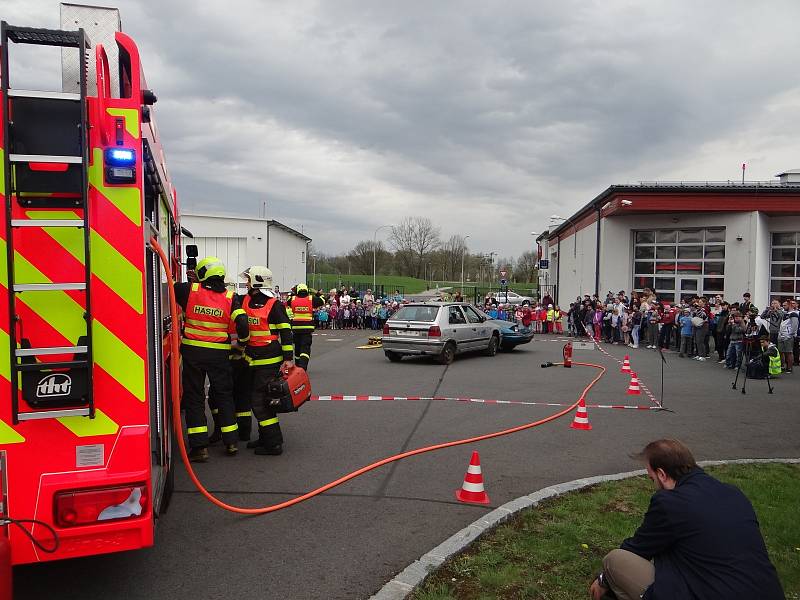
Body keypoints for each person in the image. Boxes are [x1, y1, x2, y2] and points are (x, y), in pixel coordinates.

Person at [589, 439, 784, 600]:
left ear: (662, 474)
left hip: (711, 592)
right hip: (766, 590)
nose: (653, 485)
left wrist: (603, 579)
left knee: (614, 561)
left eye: (652, 479)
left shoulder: (670, 502)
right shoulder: (733, 493)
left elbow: (638, 548)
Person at [175, 256, 249, 461]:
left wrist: (192, 281)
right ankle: (231, 442)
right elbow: (242, 322)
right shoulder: (230, 297)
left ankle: (199, 448)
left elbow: (167, 289)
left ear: (202, 274)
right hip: (219, 354)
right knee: (224, 395)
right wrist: (241, 345)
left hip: (193, 354)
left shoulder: (189, 290)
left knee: (194, 398)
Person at [241, 266, 294, 456]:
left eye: (248, 280)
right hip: (252, 359)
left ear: (257, 282)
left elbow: (286, 333)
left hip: (269, 360)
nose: (246, 283)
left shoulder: (275, 305)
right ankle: (265, 437)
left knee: (259, 401)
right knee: (262, 399)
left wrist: (288, 359)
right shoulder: (245, 300)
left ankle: (273, 444)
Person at [286, 283, 324, 370]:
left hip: (296, 329)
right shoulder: (311, 299)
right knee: (305, 348)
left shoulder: (293, 299)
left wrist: (293, 292)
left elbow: (287, 300)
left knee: (298, 348)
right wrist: (318, 293)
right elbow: (322, 300)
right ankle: (302, 368)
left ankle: (297, 366)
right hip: (307, 329)